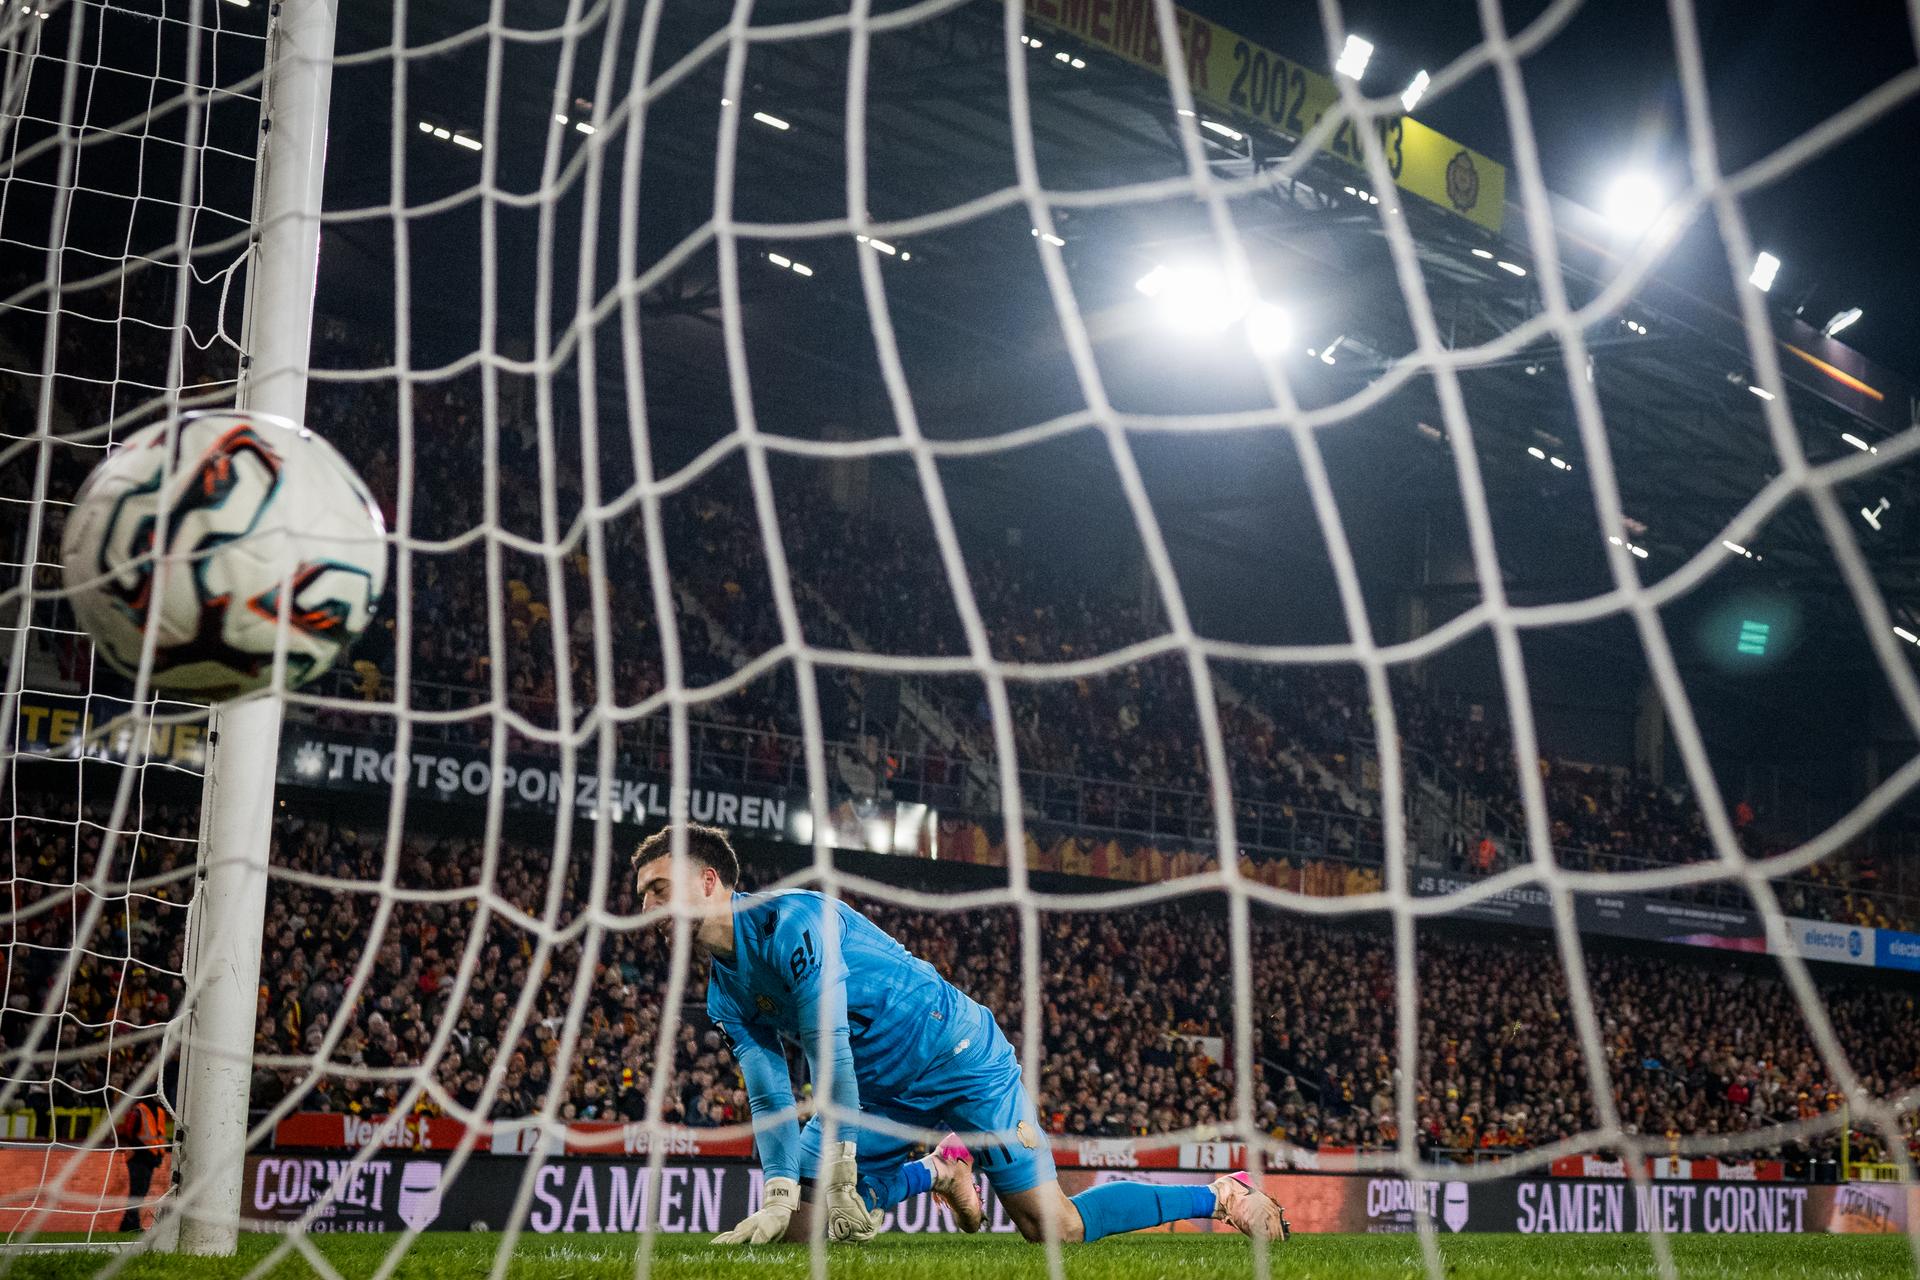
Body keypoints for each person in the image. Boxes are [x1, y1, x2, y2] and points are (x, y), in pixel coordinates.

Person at [632, 823, 1290, 1247]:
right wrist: (780, 1189)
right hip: (878, 1093)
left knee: (1052, 1228)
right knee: (802, 1231)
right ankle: (940, 1172)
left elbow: (828, 1044)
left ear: (709, 882)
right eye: (642, 895)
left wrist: (840, 1157)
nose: (645, 908)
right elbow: (769, 1091)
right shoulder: (723, 992)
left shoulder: (792, 924)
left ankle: (1220, 1194)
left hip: (958, 1056)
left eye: (659, 888)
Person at [117, 1098, 167, 1232]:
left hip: (151, 1158)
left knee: (141, 1191)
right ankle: (131, 1224)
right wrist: (146, 1151)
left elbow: (159, 1135)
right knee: (137, 1191)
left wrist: (158, 1155)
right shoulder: (138, 1110)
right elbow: (129, 1133)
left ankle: (127, 1225)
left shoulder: (160, 1111)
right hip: (137, 1157)